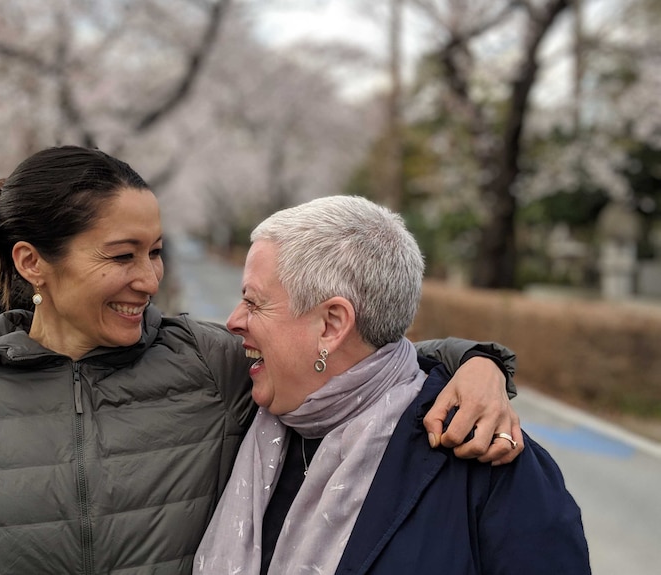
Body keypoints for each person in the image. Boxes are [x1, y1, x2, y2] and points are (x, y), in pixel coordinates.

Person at [0, 146, 521, 574]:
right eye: (122, 255)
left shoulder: (208, 363)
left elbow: (354, 357)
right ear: (33, 262)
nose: (149, 278)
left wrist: (478, 363)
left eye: (156, 251)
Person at [195, 196, 590, 574]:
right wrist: (481, 360)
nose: (233, 321)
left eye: (254, 302)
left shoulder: (488, 460)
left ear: (331, 325)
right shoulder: (237, 412)